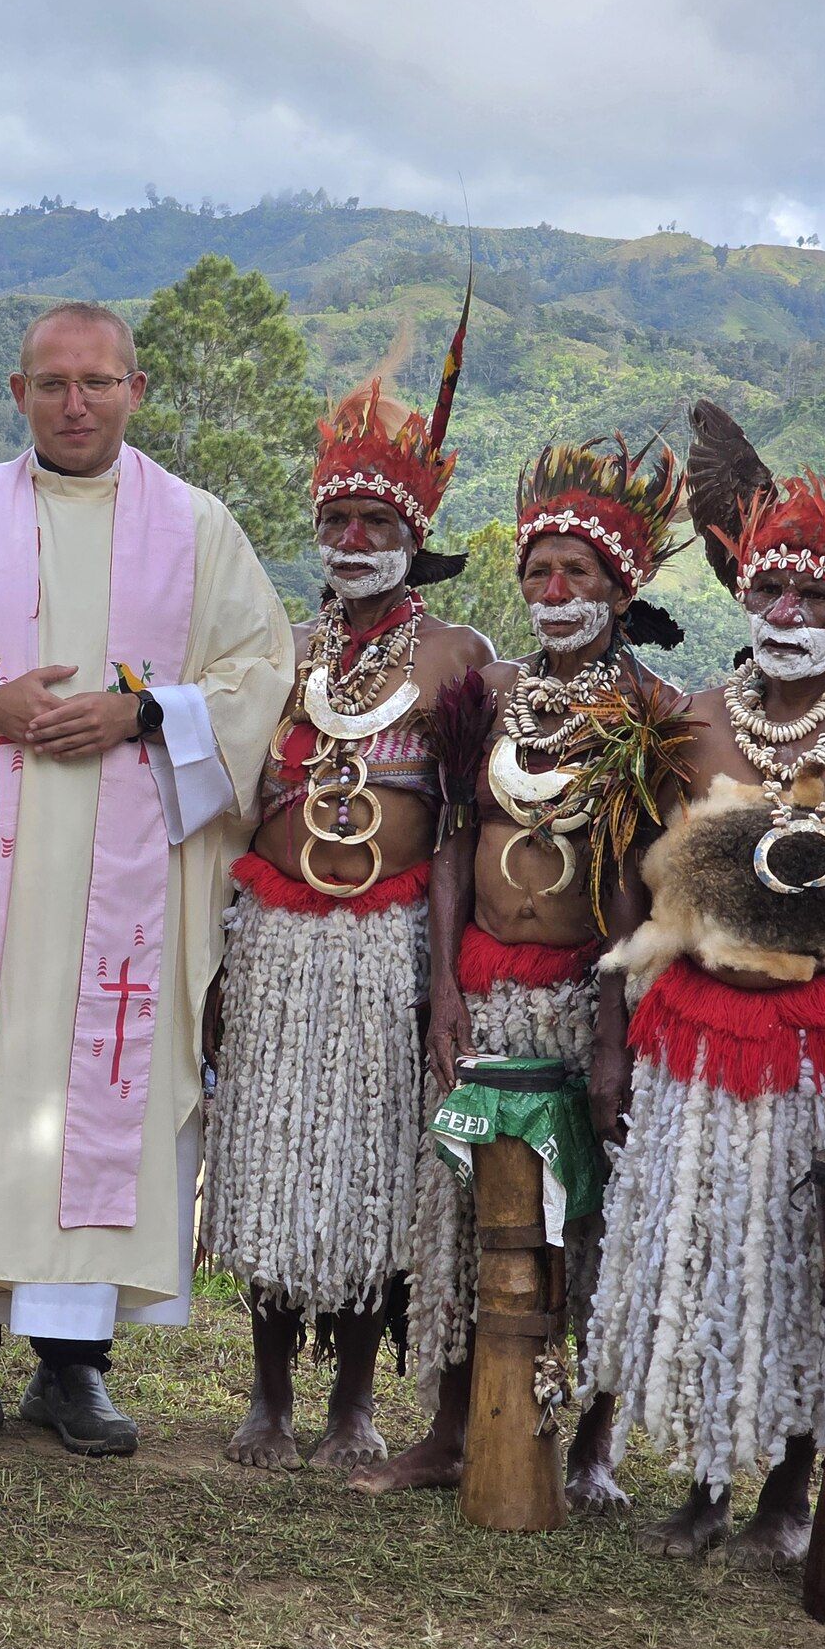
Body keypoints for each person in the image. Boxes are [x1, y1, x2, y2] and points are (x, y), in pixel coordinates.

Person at [0, 299, 294, 1458]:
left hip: (127, 876)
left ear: (134, 389)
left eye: (97, 382)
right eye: (51, 383)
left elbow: (264, 666)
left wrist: (145, 707)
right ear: (17, 392)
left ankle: (74, 1366)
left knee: (106, 1093)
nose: (74, 402)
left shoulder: (199, 528)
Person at [355, 434, 686, 1503]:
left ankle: (586, 1441)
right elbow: (454, 837)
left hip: (586, 994)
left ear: (619, 586)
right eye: (539, 570)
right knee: (460, 1207)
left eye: (576, 572)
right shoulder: (490, 693)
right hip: (487, 991)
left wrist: (611, 1030)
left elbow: (646, 876)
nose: (553, 589)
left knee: (583, 1218)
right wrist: (445, 986)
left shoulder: (655, 711)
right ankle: (452, 1426)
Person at [202, 349, 492, 1473]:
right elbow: (237, 802)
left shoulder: (461, 659)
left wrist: (448, 982)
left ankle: (354, 1405)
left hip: (391, 942)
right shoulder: (281, 647)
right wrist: (221, 963)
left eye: (379, 520)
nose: (357, 539)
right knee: (276, 1162)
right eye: (342, 519)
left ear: (416, 530)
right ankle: (270, 1396)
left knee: (369, 1175)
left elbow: (470, 822)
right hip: (275, 939)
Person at [583, 404, 825, 1564]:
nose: (786, 616)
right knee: (697, 1249)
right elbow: (623, 891)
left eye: (815, 598)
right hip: (692, 1027)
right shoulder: (689, 723)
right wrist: (610, 1037)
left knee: (802, 1263)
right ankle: (699, 1487)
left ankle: (788, 1494)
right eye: (767, 595)